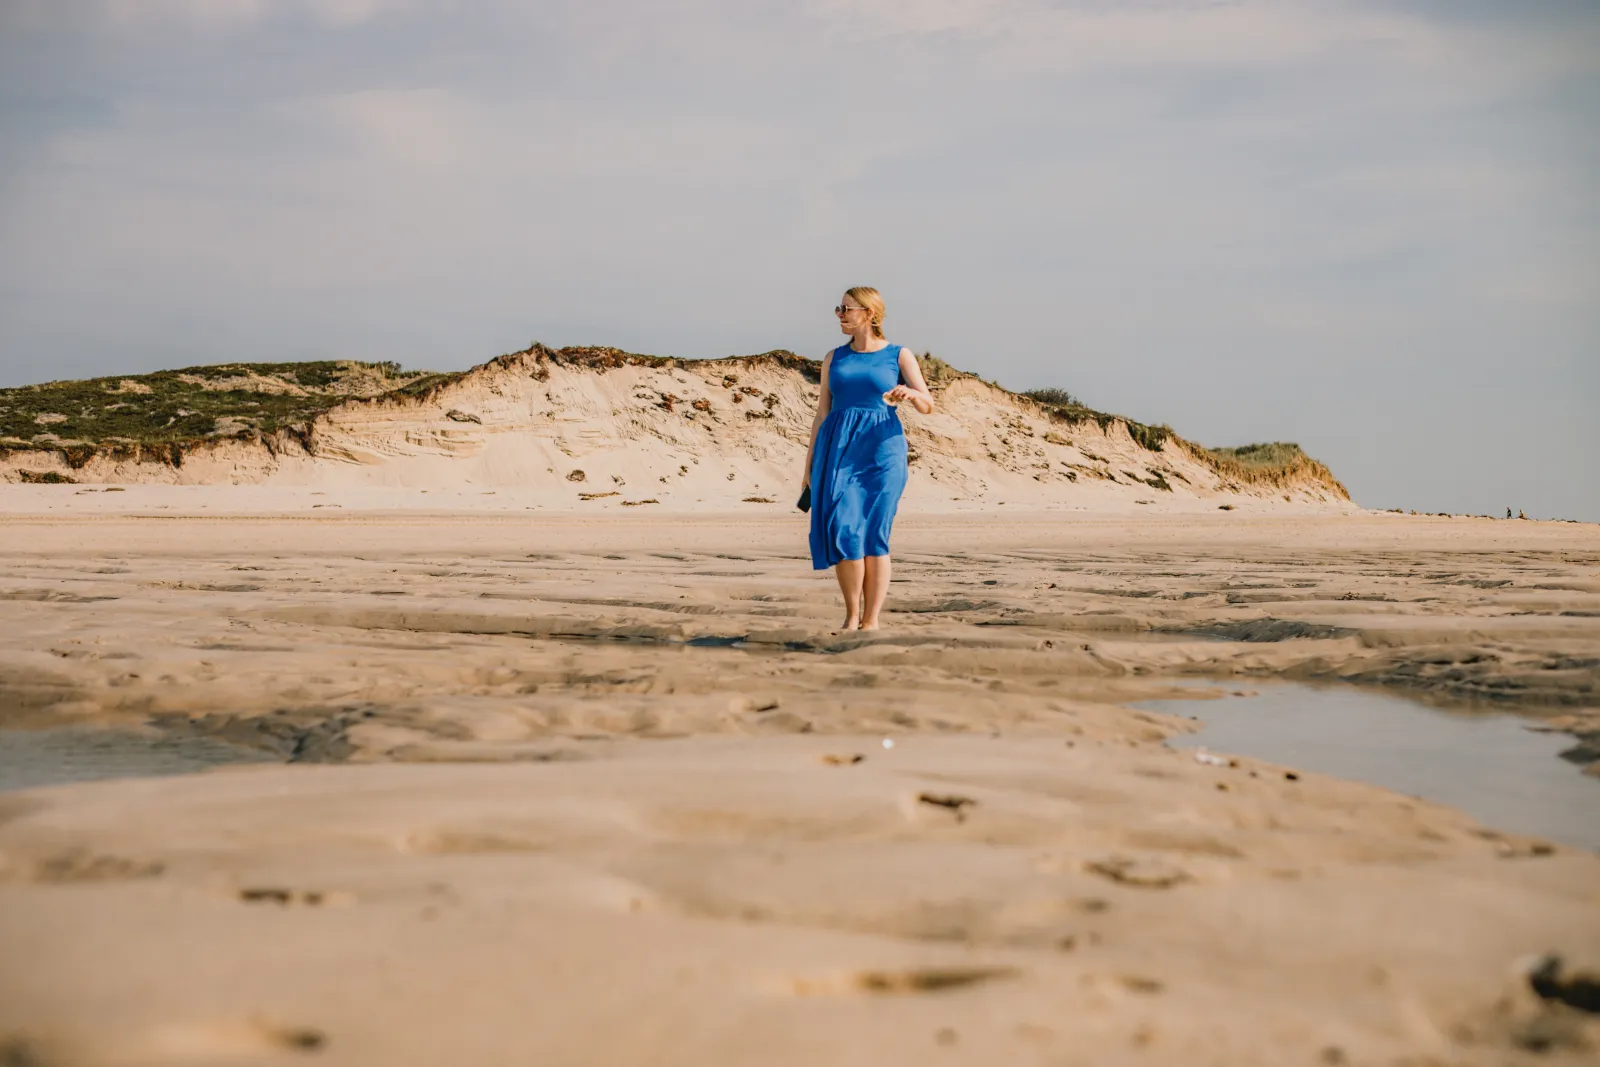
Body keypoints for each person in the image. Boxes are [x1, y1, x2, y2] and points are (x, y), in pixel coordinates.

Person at [801, 286, 935, 631]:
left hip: (882, 451)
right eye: (838, 309)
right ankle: (850, 615)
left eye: (846, 309)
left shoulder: (898, 354)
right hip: (839, 449)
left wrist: (910, 392)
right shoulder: (834, 357)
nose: (840, 315)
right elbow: (821, 413)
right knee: (844, 529)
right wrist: (809, 467)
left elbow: (928, 405)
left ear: (869, 313)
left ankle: (871, 620)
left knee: (874, 534)